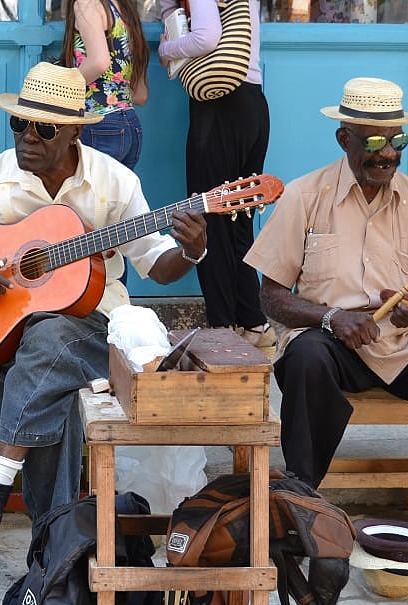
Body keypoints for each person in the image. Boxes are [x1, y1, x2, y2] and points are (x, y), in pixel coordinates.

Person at [0, 63, 208, 550]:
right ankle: (55, 551)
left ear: (75, 132)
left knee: (52, 335)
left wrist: (190, 251)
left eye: (43, 128)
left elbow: (155, 262)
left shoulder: (115, 182)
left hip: (93, 332)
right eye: (19, 124)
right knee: (52, 392)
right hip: (3, 340)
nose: (27, 139)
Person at [243, 77, 408, 563]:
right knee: (304, 358)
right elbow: (271, 297)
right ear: (343, 138)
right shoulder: (306, 195)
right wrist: (331, 317)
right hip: (331, 344)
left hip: (400, 346)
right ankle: (303, 505)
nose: (386, 153)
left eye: (396, 141)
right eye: (371, 141)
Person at [158, 0, 274, 350]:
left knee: (208, 218)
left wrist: (166, 47)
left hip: (219, 108)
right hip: (252, 103)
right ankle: (253, 322)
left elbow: (207, 38)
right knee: (238, 221)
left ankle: (223, 329)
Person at [59, 0, 149, 170]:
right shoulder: (126, 12)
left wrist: (59, 89)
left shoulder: (87, 4)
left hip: (98, 123)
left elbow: (99, 62)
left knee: (87, 195)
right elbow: (140, 95)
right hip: (131, 126)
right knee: (117, 196)